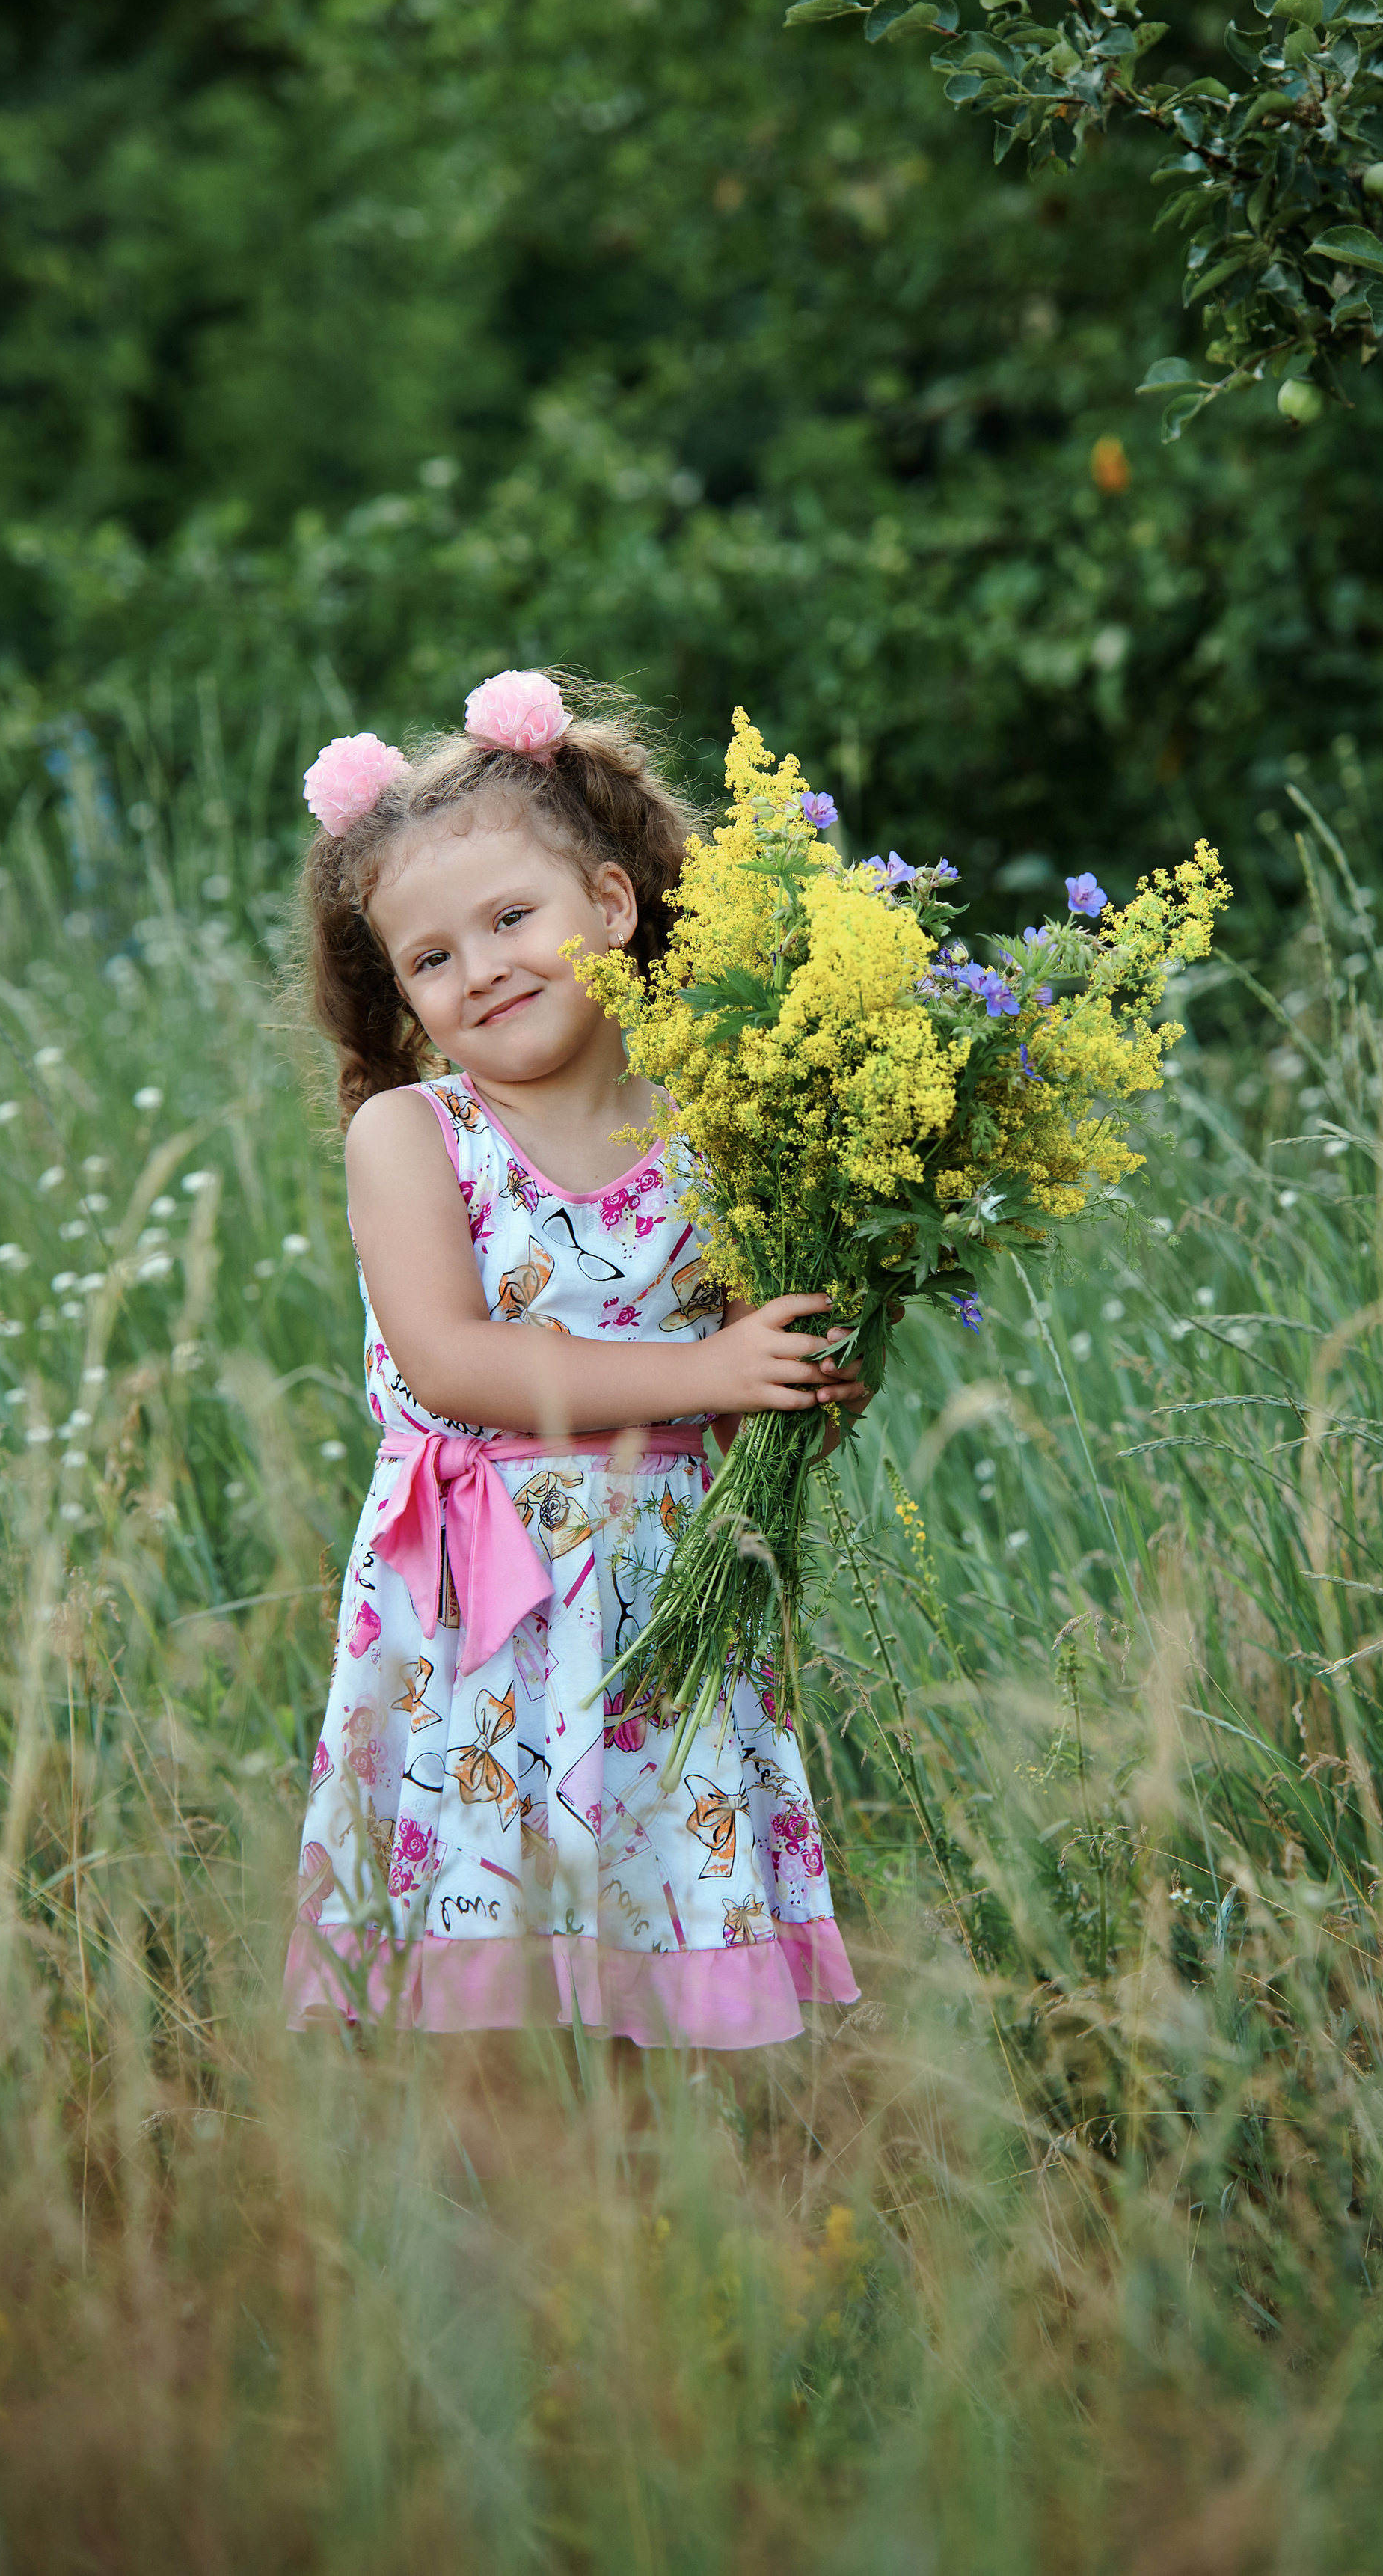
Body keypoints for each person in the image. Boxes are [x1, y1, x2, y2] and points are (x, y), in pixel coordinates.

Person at [283, 667, 861, 2045]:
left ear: (610, 905)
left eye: (510, 918)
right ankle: (498, 2234)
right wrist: (711, 1378)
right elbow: (453, 1365)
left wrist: (807, 1378)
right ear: (403, 995)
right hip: (477, 1617)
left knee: (651, 1972)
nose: (479, 968)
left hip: (662, 1598)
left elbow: (756, 1380)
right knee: (485, 1992)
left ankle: (650, 2239)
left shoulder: (718, 1131)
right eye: (431, 958)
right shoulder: (416, 1137)